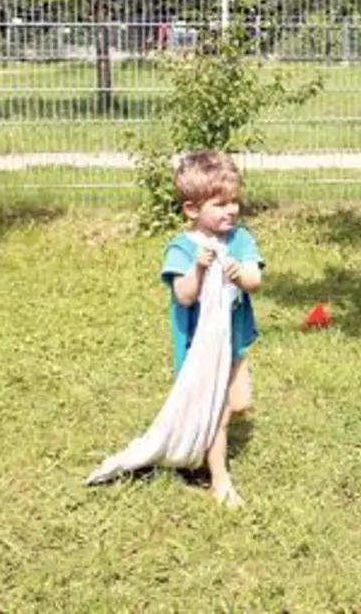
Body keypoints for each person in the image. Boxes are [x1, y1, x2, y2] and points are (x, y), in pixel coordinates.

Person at [159, 150, 265, 508]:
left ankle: (194, 442)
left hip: (232, 341)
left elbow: (255, 279)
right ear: (192, 209)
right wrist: (200, 270)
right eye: (220, 204)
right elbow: (184, 296)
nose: (231, 211)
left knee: (241, 401)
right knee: (219, 413)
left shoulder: (239, 239)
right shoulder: (182, 247)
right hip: (198, 348)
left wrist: (240, 273)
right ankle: (219, 479)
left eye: (234, 201)